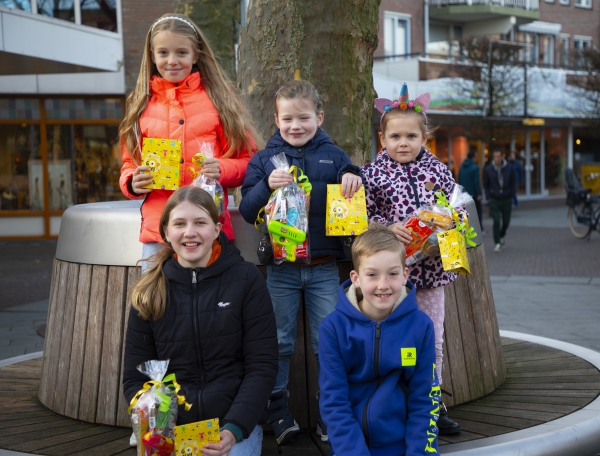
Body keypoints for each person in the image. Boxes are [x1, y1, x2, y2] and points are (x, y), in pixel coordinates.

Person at [239, 80, 363, 445]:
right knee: (277, 341)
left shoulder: (335, 156)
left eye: (304, 118)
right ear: (275, 119)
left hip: (325, 266)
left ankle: (332, 411)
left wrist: (354, 175)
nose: (296, 126)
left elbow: (353, 186)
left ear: (319, 117)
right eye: (287, 118)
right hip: (281, 268)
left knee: (329, 340)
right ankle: (277, 407)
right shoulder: (264, 161)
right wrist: (267, 187)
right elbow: (248, 210)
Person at [122, 186, 278, 456]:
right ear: (167, 233)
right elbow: (134, 377)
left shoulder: (246, 280)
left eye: (200, 222)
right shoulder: (149, 290)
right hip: (169, 430)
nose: (189, 232)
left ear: (217, 229)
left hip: (232, 426)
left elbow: (261, 367)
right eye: (179, 223)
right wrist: (156, 427)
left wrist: (232, 430)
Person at [118, 13, 261, 272]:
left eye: (181, 53)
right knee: (155, 305)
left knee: (212, 307)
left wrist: (223, 169)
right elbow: (129, 162)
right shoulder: (140, 105)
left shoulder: (220, 102)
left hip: (208, 231)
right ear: (152, 55)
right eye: (163, 53)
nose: (172, 61)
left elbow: (250, 161)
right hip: (159, 231)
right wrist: (132, 182)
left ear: (196, 55)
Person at [360, 82, 461, 435]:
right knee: (396, 340)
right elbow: (361, 220)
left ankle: (432, 402)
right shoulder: (372, 174)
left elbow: (456, 211)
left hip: (432, 273)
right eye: (396, 137)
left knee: (432, 338)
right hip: (393, 278)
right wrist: (388, 227)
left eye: (411, 137)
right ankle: (396, 402)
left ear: (425, 137)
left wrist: (445, 228)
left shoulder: (438, 171)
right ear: (382, 137)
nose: (403, 144)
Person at [319, 224, 440, 455]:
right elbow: (334, 402)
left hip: (404, 447)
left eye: (393, 274)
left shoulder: (421, 326)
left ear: (405, 275)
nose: (383, 285)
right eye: (372, 275)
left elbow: (425, 400)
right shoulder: (333, 329)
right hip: (351, 449)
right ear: (355, 278)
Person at [484, 149, 516, 253]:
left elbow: (513, 182)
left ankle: (501, 236)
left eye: (498, 156)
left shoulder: (510, 168)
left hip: (506, 198)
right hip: (494, 199)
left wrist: (512, 195)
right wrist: (488, 196)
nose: (496, 159)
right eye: (494, 156)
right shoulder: (488, 169)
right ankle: (497, 243)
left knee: (506, 221)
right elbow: (486, 184)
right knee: (496, 221)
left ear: (502, 156)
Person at [458, 150, 484, 233]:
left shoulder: (462, 167)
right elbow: (476, 181)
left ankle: (467, 229)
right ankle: (479, 229)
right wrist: (479, 193)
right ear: (473, 157)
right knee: (477, 212)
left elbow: (459, 180)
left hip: (464, 194)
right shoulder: (475, 167)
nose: (477, 159)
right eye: (476, 157)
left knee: (466, 213)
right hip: (474, 195)